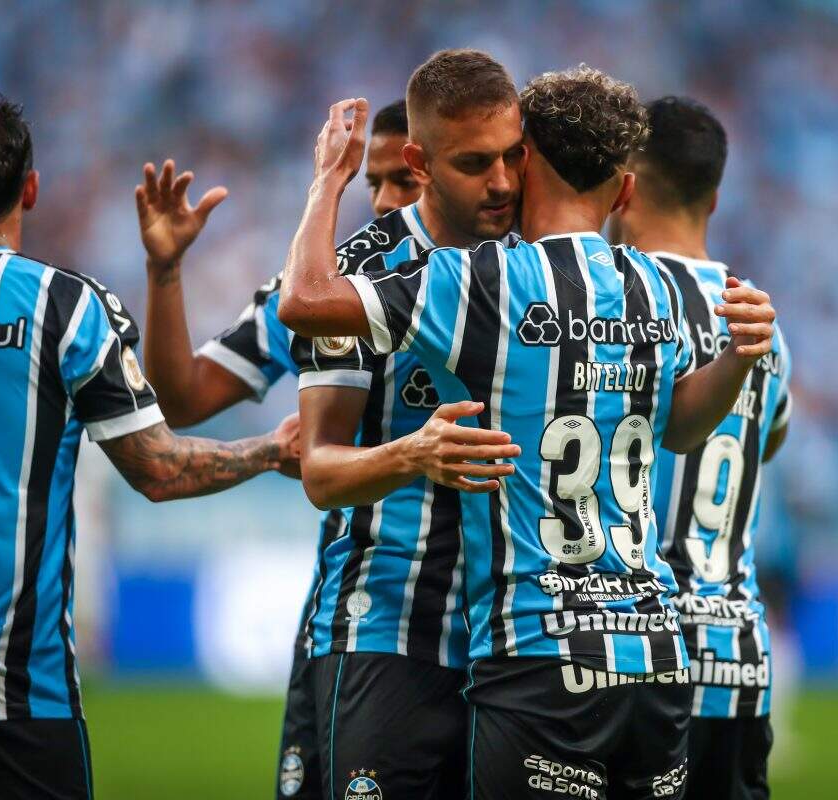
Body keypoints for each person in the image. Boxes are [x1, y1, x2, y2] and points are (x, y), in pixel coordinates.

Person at [278, 66, 777, 799]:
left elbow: (305, 300)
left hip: (534, 647)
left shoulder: (482, 280)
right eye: (479, 162)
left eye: (510, 158)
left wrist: (328, 178)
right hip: (626, 648)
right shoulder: (655, 283)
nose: (501, 182)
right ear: (625, 190)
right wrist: (737, 355)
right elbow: (677, 429)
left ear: (530, 158)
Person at [137, 50, 524, 800]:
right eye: (370, 180)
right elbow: (181, 397)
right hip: (373, 621)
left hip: (502, 635)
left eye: (397, 181)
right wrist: (164, 274)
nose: (380, 198)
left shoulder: (525, 266)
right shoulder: (333, 288)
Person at [0, 92, 298, 799]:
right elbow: (160, 469)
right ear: (30, 190)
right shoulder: (67, 307)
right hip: (18, 701)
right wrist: (270, 450)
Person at [609, 95, 793, 800]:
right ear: (713, 199)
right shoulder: (762, 321)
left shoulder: (613, 301)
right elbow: (769, 439)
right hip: (737, 657)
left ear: (622, 185)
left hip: (633, 654)